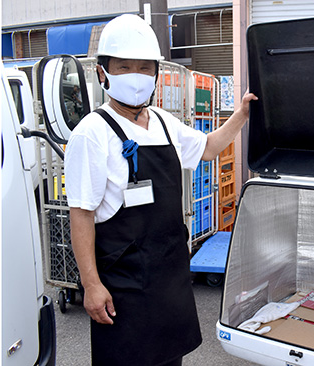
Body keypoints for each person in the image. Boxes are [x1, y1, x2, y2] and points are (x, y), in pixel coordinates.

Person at [64, 14, 257, 366]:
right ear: (102, 72)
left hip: (169, 277)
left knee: (170, 359)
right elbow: (81, 213)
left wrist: (242, 113)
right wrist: (91, 285)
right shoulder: (91, 133)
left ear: (155, 73)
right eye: (123, 67)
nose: (135, 75)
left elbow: (209, 147)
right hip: (123, 284)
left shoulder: (164, 122)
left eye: (144, 67)